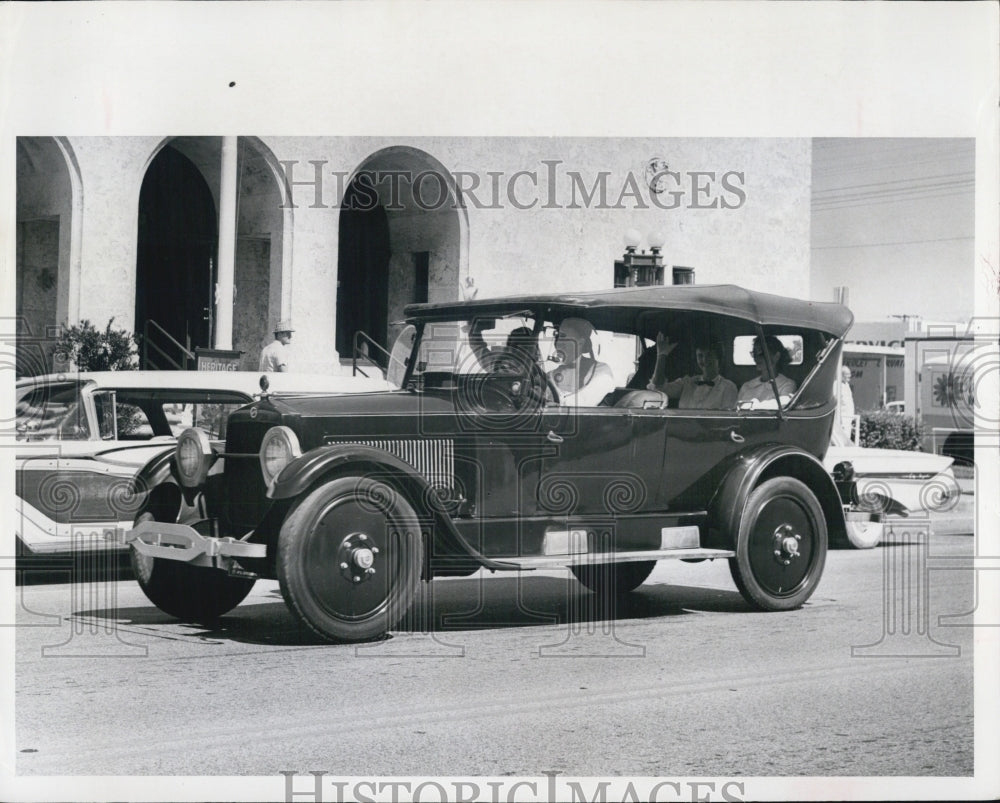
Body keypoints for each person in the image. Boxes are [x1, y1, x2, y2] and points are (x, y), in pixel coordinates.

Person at [646, 334, 738, 409]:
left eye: (709, 355)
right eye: (700, 356)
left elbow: (726, 423)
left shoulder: (728, 387)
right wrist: (662, 355)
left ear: (718, 357)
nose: (704, 360)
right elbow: (658, 388)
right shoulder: (687, 382)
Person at [547, 317, 615, 406]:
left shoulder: (601, 371)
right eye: (558, 337)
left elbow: (583, 402)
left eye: (564, 337)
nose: (558, 343)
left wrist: (551, 402)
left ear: (580, 343)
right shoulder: (551, 374)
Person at [737, 334, 797, 409]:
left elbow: (783, 405)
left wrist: (753, 405)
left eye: (761, 354)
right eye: (754, 354)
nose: (756, 358)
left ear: (776, 357)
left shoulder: (787, 385)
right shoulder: (746, 386)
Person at [837, 365, 856, 441]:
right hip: (842, 417)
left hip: (848, 417)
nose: (849, 376)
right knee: (842, 438)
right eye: (847, 374)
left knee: (847, 436)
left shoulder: (847, 385)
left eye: (849, 374)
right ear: (841, 375)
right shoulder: (837, 385)